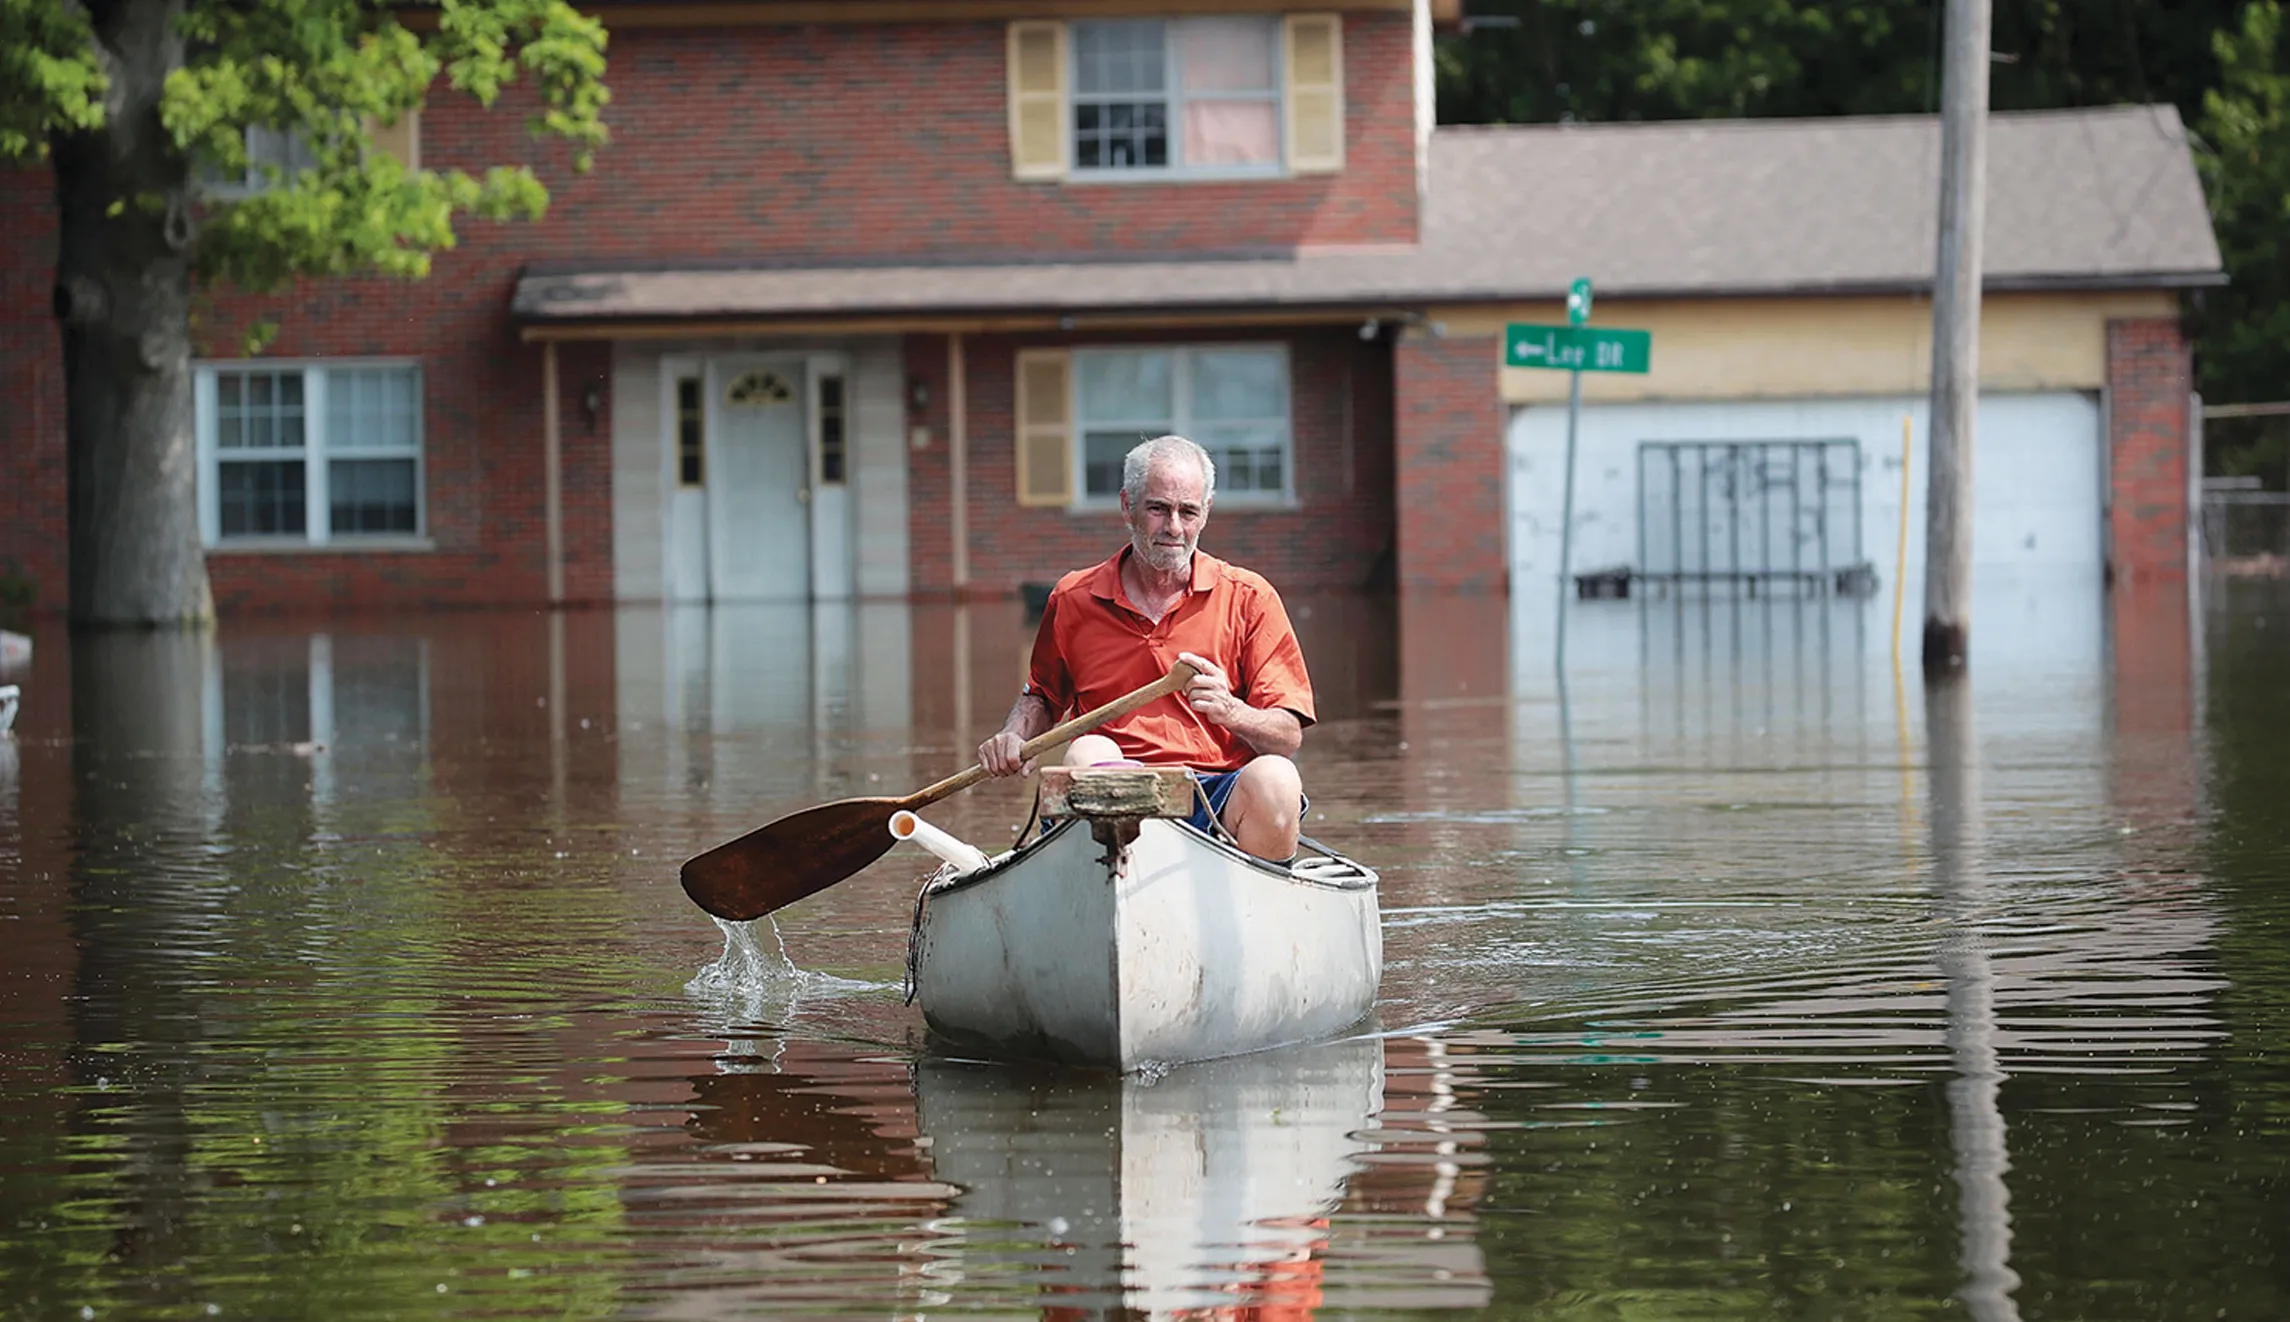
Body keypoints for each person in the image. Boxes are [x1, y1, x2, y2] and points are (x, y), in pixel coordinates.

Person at [978, 434, 1314, 862]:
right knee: (1087, 753)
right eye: (1158, 509)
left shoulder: (1250, 598)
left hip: (1218, 796)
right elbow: (1042, 696)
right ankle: (1110, 877)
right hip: (1115, 790)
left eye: (1187, 511)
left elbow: (1287, 737)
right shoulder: (1072, 599)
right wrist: (1014, 736)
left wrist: (1232, 711)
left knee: (1278, 778)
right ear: (1128, 506)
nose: (1173, 527)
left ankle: (1255, 893)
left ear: (1206, 513)